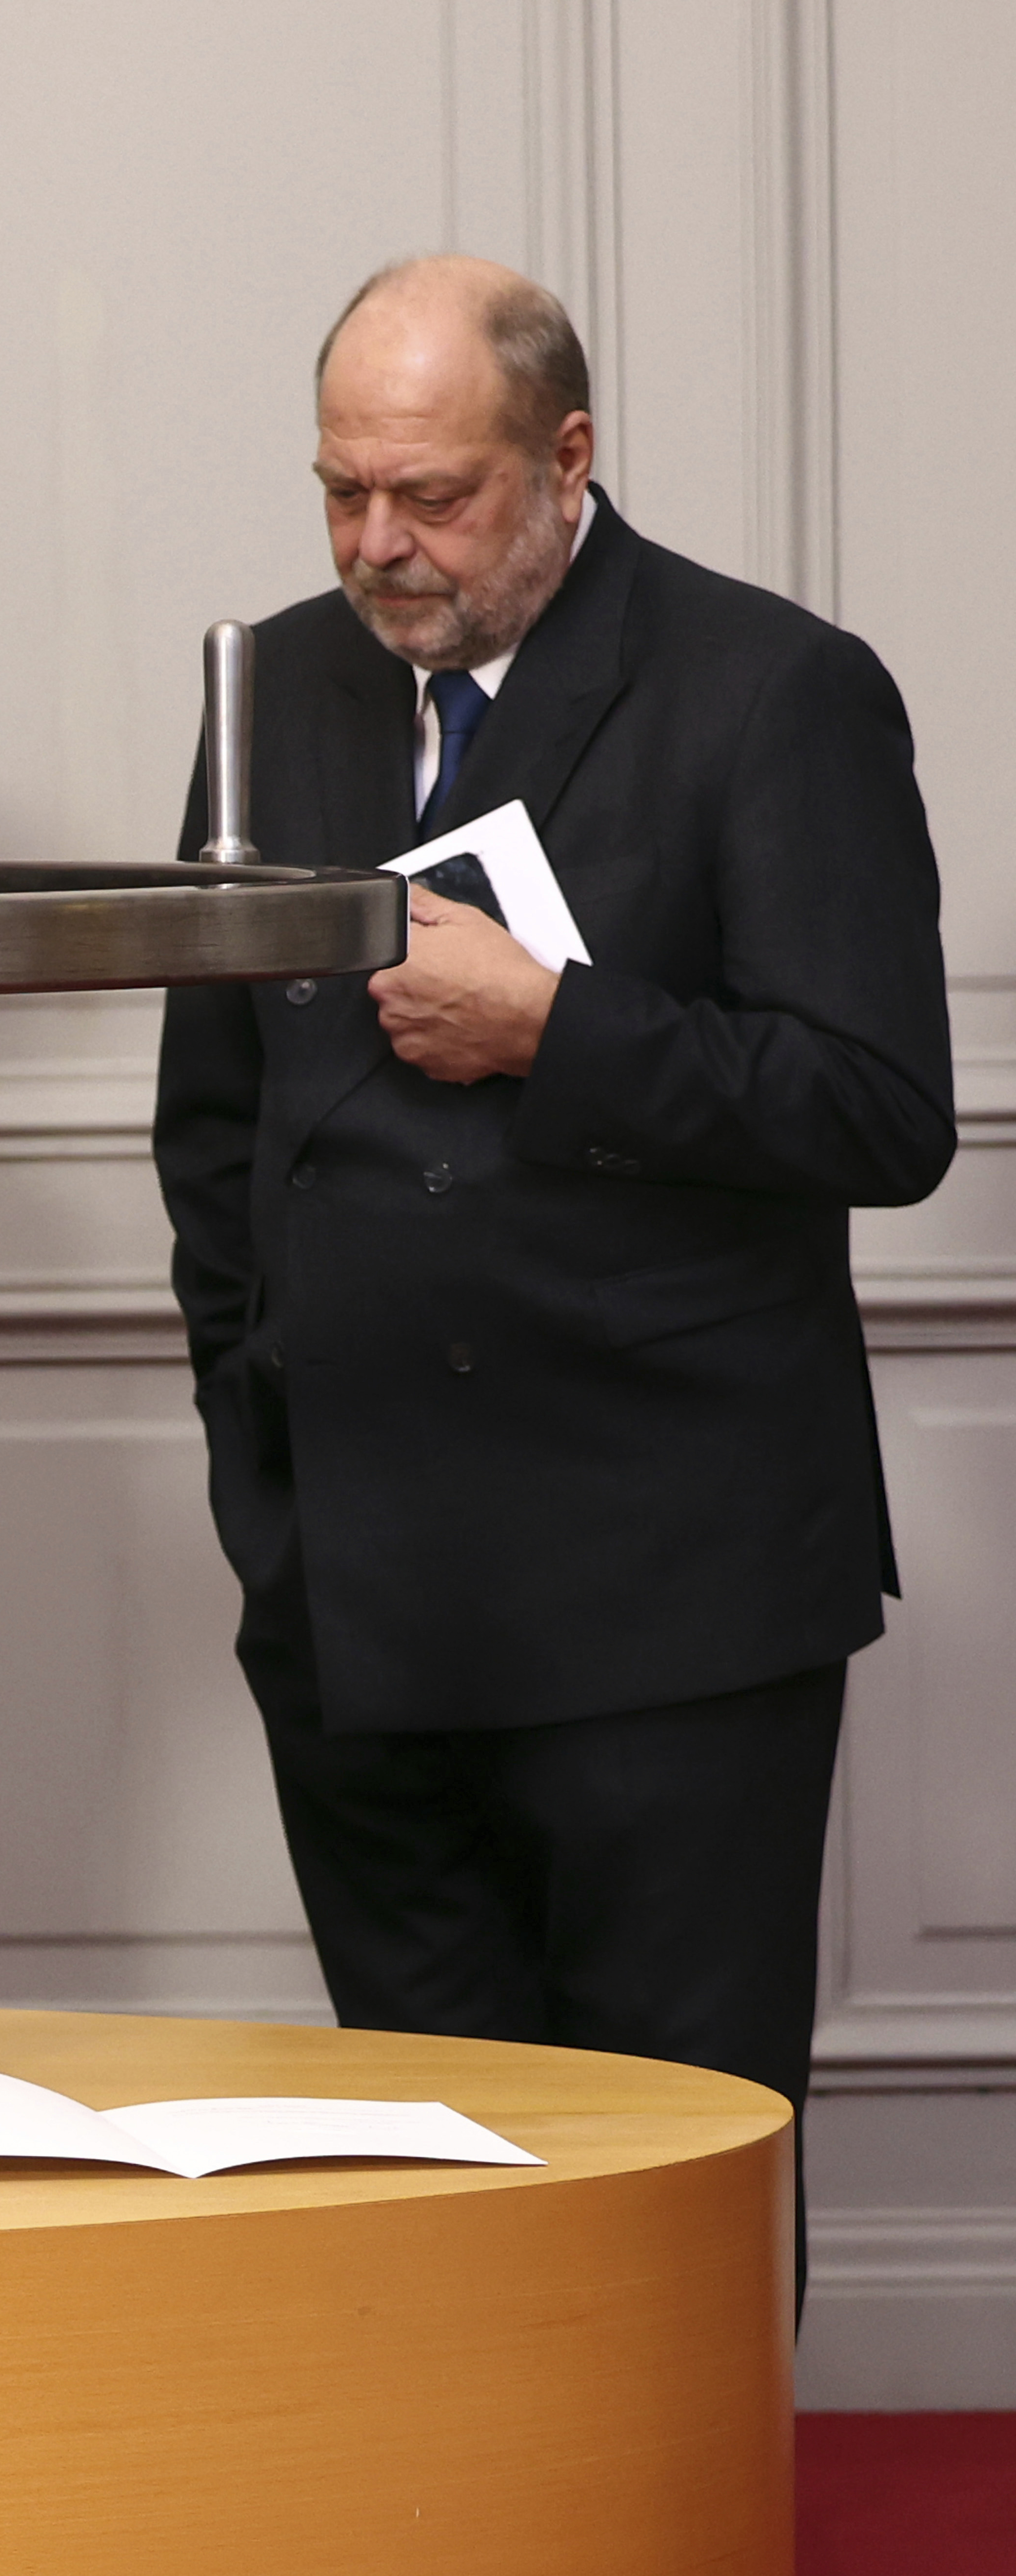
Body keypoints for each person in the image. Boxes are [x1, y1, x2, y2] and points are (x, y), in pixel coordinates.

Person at [152, 255, 953, 2150]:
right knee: (435, 2168)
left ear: (568, 458)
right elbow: (210, 1126)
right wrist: (264, 1476)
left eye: (433, 495)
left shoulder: (772, 688)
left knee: (672, 2165)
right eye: (343, 490)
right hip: (357, 1586)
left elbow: (880, 1110)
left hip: (669, 1593)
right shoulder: (276, 685)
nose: (378, 543)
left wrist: (555, 1029)